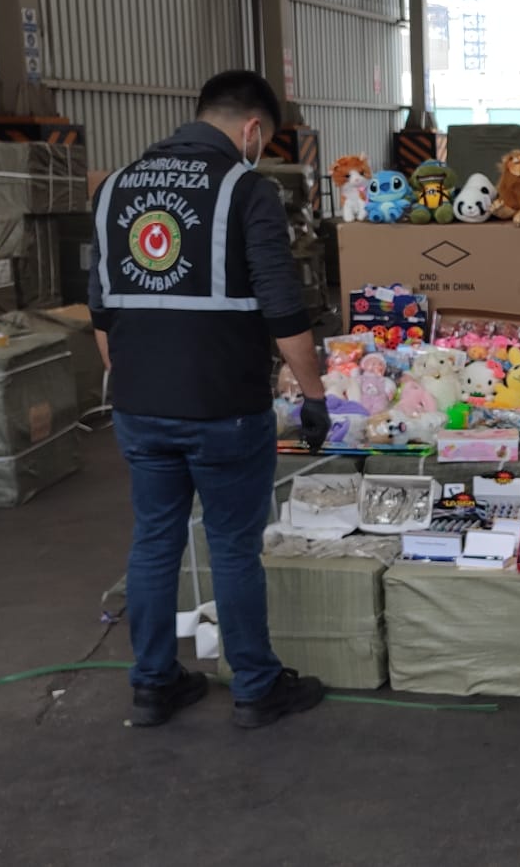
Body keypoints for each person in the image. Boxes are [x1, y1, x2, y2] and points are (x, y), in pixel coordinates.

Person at [90, 69, 333, 730]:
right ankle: (255, 687)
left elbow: (102, 313)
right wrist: (314, 398)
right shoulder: (245, 190)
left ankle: (153, 685)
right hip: (224, 408)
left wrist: (137, 383)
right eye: (265, 140)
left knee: (154, 541)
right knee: (231, 546)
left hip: (139, 407)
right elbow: (283, 308)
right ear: (252, 129)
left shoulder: (113, 188)